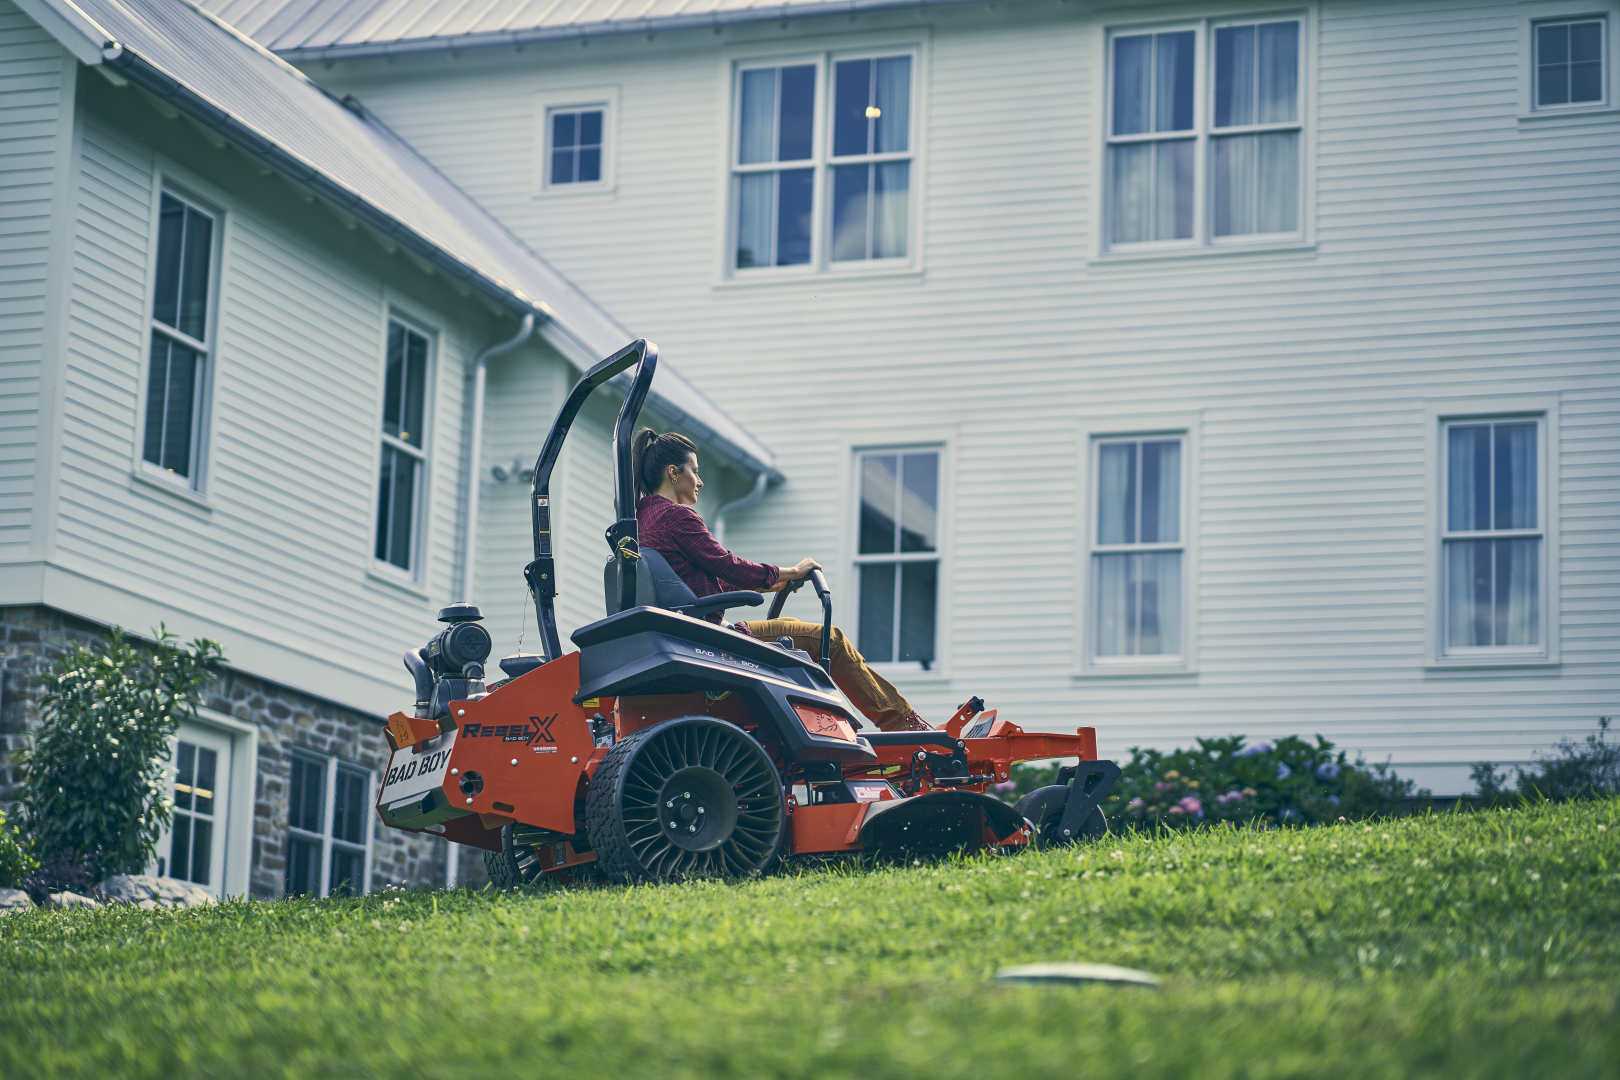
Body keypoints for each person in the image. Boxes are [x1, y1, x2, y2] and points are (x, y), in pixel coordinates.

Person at [632, 428, 929, 732]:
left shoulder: (642, 521)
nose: (700, 480)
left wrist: (769, 582)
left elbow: (703, 583)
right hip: (712, 642)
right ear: (673, 473)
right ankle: (903, 725)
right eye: (694, 471)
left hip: (686, 636)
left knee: (790, 626)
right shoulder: (677, 517)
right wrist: (789, 572)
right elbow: (727, 565)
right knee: (831, 640)